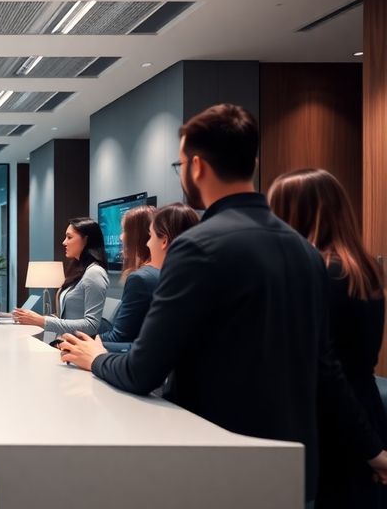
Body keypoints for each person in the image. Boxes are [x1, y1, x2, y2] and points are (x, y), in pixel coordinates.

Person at [57, 104, 387, 501]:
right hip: (293, 465)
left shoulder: (197, 247)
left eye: (180, 166)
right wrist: (371, 449)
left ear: (197, 167)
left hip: (221, 458)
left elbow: (143, 369)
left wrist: (95, 357)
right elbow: (324, 367)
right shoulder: (303, 250)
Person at [269, 169, 387, 508]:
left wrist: (370, 449)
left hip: (331, 427)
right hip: (362, 415)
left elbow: (324, 370)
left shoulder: (317, 274)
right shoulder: (361, 272)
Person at [98, 204, 199, 352]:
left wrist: (87, 344)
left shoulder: (142, 279)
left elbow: (127, 340)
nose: (121, 237)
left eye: (125, 230)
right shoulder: (189, 281)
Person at [12, 217, 109, 338]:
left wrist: (43, 321)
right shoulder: (79, 270)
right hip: (64, 343)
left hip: (78, 349)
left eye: (69, 237)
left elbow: (91, 325)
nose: (64, 242)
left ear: (86, 240)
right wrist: (32, 318)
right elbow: (67, 316)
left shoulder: (94, 273)